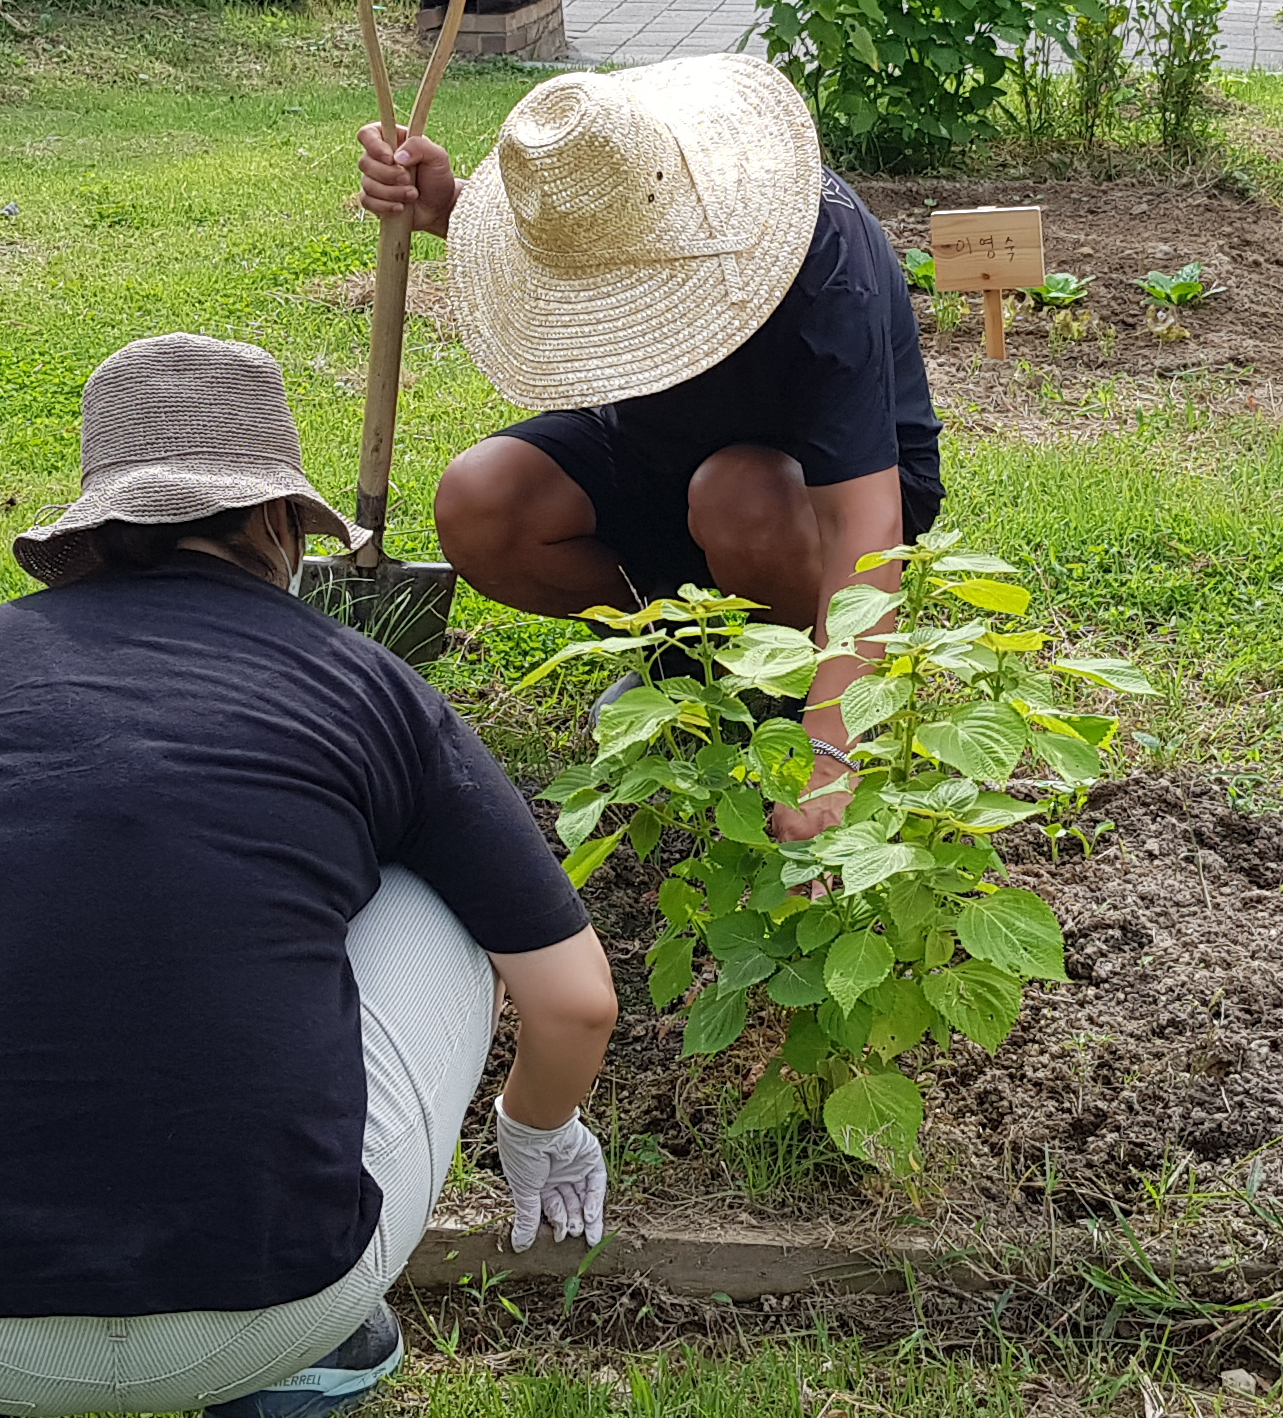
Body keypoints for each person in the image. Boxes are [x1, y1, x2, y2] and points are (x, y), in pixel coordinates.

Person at [0, 334, 619, 1418]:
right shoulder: (370, 684)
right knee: (442, 888)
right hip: (276, 1305)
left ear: (95, 528)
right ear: (280, 521)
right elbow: (574, 1000)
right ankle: (305, 1372)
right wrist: (536, 1132)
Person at [355, 54, 944, 839]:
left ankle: (788, 681)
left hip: (802, 499)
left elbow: (864, 523)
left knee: (738, 494)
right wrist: (448, 210)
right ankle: (683, 665)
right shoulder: (619, 202)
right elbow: (590, 240)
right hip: (659, 450)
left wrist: (833, 750)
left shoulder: (816, 248)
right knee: (482, 500)